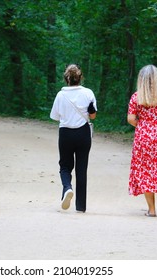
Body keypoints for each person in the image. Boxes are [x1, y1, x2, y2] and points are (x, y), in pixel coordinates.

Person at [127, 64, 157, 217]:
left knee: (145, 171)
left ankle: (151, 210)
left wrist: (143, 125)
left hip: (143, 137)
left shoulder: (137, 97)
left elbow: (130, 119)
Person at [50, 64, 97, 213]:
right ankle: (81, 206)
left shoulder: (60, 95)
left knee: (65, 166)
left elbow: (55, 117)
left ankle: (67, 189)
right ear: (80, 77)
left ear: (66, 79)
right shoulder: (88, 93)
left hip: (65, 133)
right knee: (81, 169)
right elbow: (93, 115)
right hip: (83, 134)